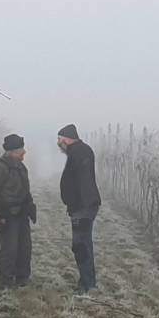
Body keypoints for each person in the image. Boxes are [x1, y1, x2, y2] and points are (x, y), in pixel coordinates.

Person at [0, 133, 36, 288]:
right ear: (12, 151)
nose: (24, 152)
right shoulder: (0, 167)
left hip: (21, 214)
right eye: (21, 149)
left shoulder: (21, 167)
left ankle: (22, 279)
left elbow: (26, 190)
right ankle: (6, 282)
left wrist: (31, 208)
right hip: (7, 215)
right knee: (9, 250)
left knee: (25, 248)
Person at [56, 124, 99, 293]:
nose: (58, 144)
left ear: (67, 139)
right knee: (83, 244)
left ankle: (86, 285)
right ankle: (89, 282)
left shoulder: (78, 152)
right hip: (83, 206)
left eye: (59, 140)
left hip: (83, 207)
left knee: (81, 246)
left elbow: (82, 181)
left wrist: (76, 203)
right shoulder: (80, 151)